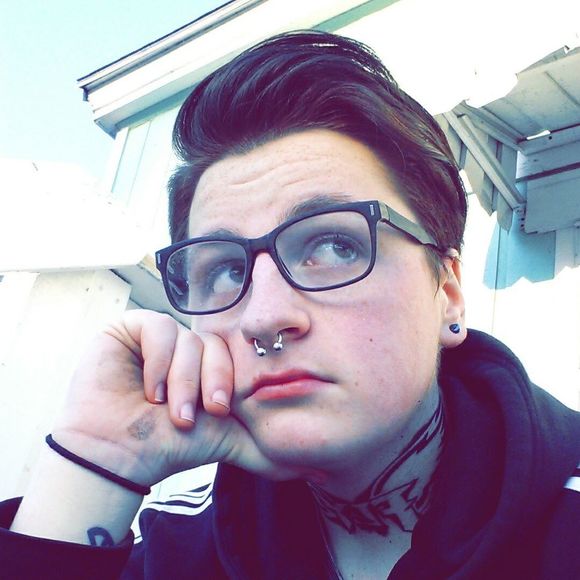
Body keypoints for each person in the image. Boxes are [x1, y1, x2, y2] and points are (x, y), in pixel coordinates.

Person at [1, 30, 579, 579]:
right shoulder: (176, 549)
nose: (264, 317)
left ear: (447, 294)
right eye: (226, 270)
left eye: (334, 246)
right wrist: (97, 460)